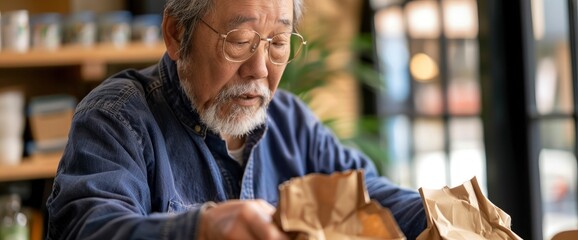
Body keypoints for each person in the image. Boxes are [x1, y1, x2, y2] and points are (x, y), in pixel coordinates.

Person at [46, 0, 426, 239]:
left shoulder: (289, 120)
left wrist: (437, 216)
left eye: (278, 44)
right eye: (240, 41)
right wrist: (202, 229)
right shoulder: (117, 117)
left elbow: (367, 194)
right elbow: (87, 228)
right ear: (177, 34)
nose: (259, 69)